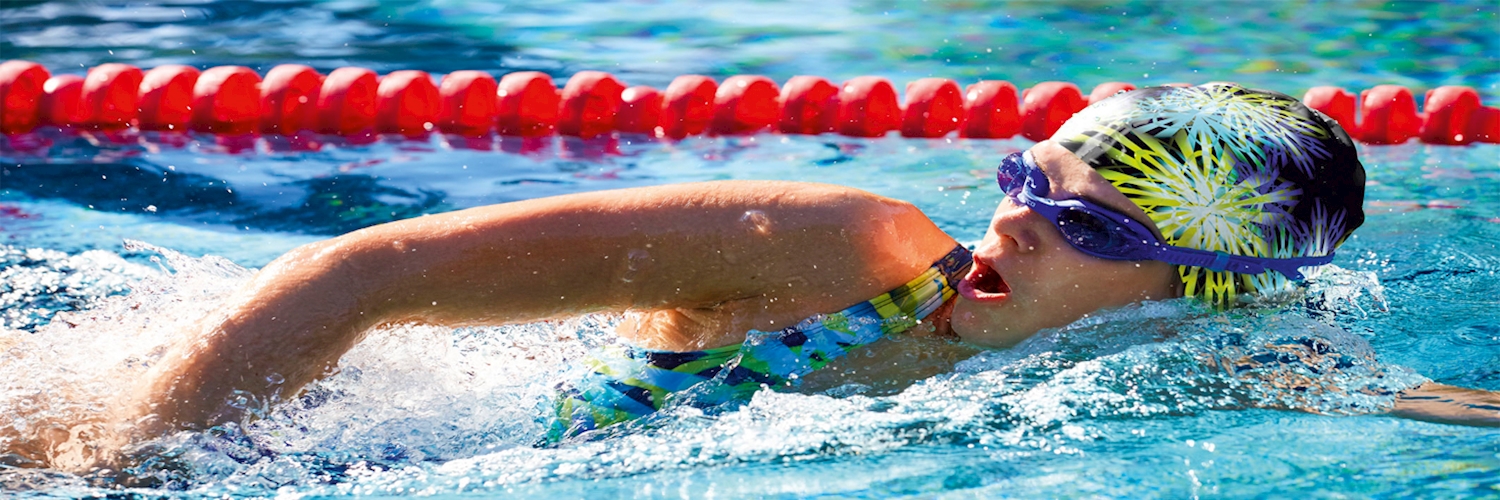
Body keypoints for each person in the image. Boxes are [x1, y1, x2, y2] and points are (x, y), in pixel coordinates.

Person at [7, 83, 1498, 474]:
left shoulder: (1224, 362)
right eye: (1027, 182)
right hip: (175, 413)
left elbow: (1437, 414)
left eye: (1094, 227)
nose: (1024, 225)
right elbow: (368, 266)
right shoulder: (823, 250)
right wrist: (148, 463)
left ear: (1205, 289)